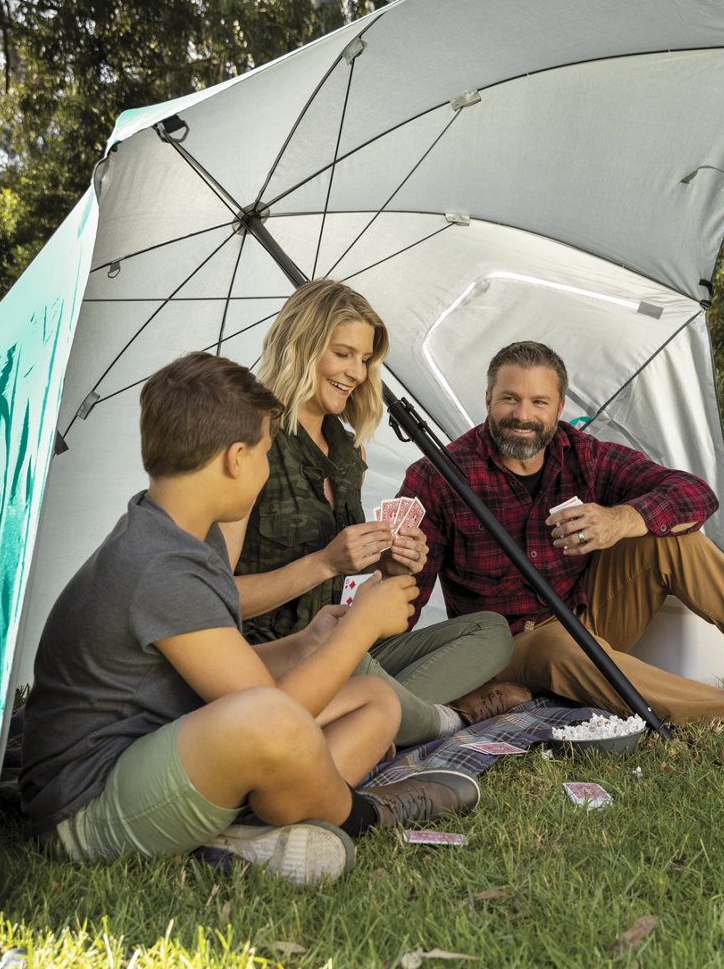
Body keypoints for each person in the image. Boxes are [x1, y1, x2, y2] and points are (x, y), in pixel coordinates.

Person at [19, 352, 480, 887]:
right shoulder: (159, 564)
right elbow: (270, 711)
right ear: (236, 458)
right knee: (271, 718)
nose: (266, 467)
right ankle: (364, 814)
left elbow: (224, 675)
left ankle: (244, 833)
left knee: (374, 700)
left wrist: (307, 642)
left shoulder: (185, 534)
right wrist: (359, 629)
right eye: (265, 452)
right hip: (87, 810)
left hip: (163, 750)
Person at [396, 341, 724, 745]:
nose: (522, 414)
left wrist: (623, 519)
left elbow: (694, 493)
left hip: (587, 616)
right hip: (508, 644)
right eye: (510, 399)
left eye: (538, 402)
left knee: (670, 537)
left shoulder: (583, 455)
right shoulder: (439, 476)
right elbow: (404, 598)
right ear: (487, 400)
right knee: (558, 645)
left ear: (559, 408)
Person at [226, 280, 528, 747]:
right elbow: (215, 600)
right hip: (273, 653)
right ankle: (437, 720)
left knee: (490, 631)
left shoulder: (349, 451)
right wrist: (325, 562)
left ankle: (368, 715)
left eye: (365, 359)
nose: (357, 372)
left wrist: (388, 564)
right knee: (356, 662)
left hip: (341, 641)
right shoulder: (250, 441)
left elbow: (348, 579)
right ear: (302, 347)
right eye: (343, 353)